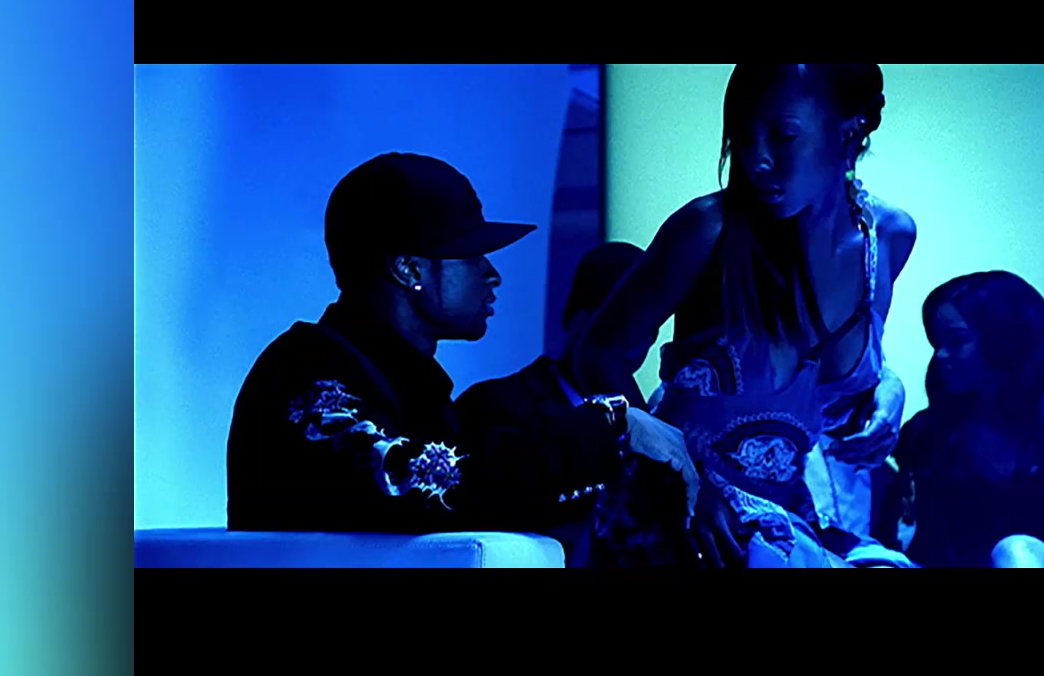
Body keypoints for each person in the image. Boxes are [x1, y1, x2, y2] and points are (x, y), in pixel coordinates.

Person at [226, 152, 694, 536]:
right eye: (469, 254)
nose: (492, 274)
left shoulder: (415, 390)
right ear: (408, 269)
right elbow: (420, 479)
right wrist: (610, 423)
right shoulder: (305, 369)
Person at [570, 64, 918, 568]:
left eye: (782, 135)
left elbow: (827, 389)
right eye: (742, 136)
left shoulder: (886, 239)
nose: (756, 160)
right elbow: (597, 357)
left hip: (791, 525)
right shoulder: (706, 231)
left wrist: (887, 390)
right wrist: (680, 477)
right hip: (685, 527)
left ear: (850, 130)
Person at [454, 242, 696, 567]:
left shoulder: (663, 424)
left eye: (644, 328)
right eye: (611, 322)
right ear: (573, 315)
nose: (628, 340)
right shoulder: (492, 405)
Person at [891, 271, 1044, 568]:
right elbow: (915, 540)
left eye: (957, 340)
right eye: (937, 343)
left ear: (1004, 340)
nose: (941, 355)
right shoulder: (925, 434)